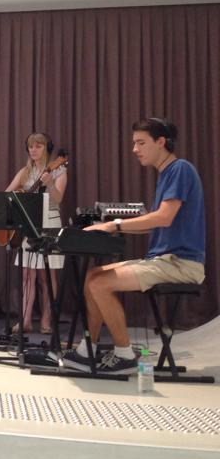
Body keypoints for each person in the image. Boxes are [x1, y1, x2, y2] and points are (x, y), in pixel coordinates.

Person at [62, 118, 205, 375]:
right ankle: (88, 350)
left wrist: (113, 226)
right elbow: (155, 225)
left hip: (182, 263)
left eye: (141, 143)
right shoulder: (166, 174)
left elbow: (163, 217)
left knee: (99, 283)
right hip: (162, 260)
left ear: (161, 142)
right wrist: (105, 225)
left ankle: (124, 356)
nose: (135, 149)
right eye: (134, 143)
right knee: (92, 276)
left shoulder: (180, 169)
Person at [4, 132, 68, 334]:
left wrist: (49, 183)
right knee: (26, 274)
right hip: (29, 224)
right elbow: (6, 194)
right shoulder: (25, 172)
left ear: (47, 149)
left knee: (46, 275)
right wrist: (19, 196)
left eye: (38, 146)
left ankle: (48, 320)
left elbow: (57, 200)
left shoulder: (59, 170)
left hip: (49, 222)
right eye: (31, 147)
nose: (33, 150)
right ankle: (25, 320)